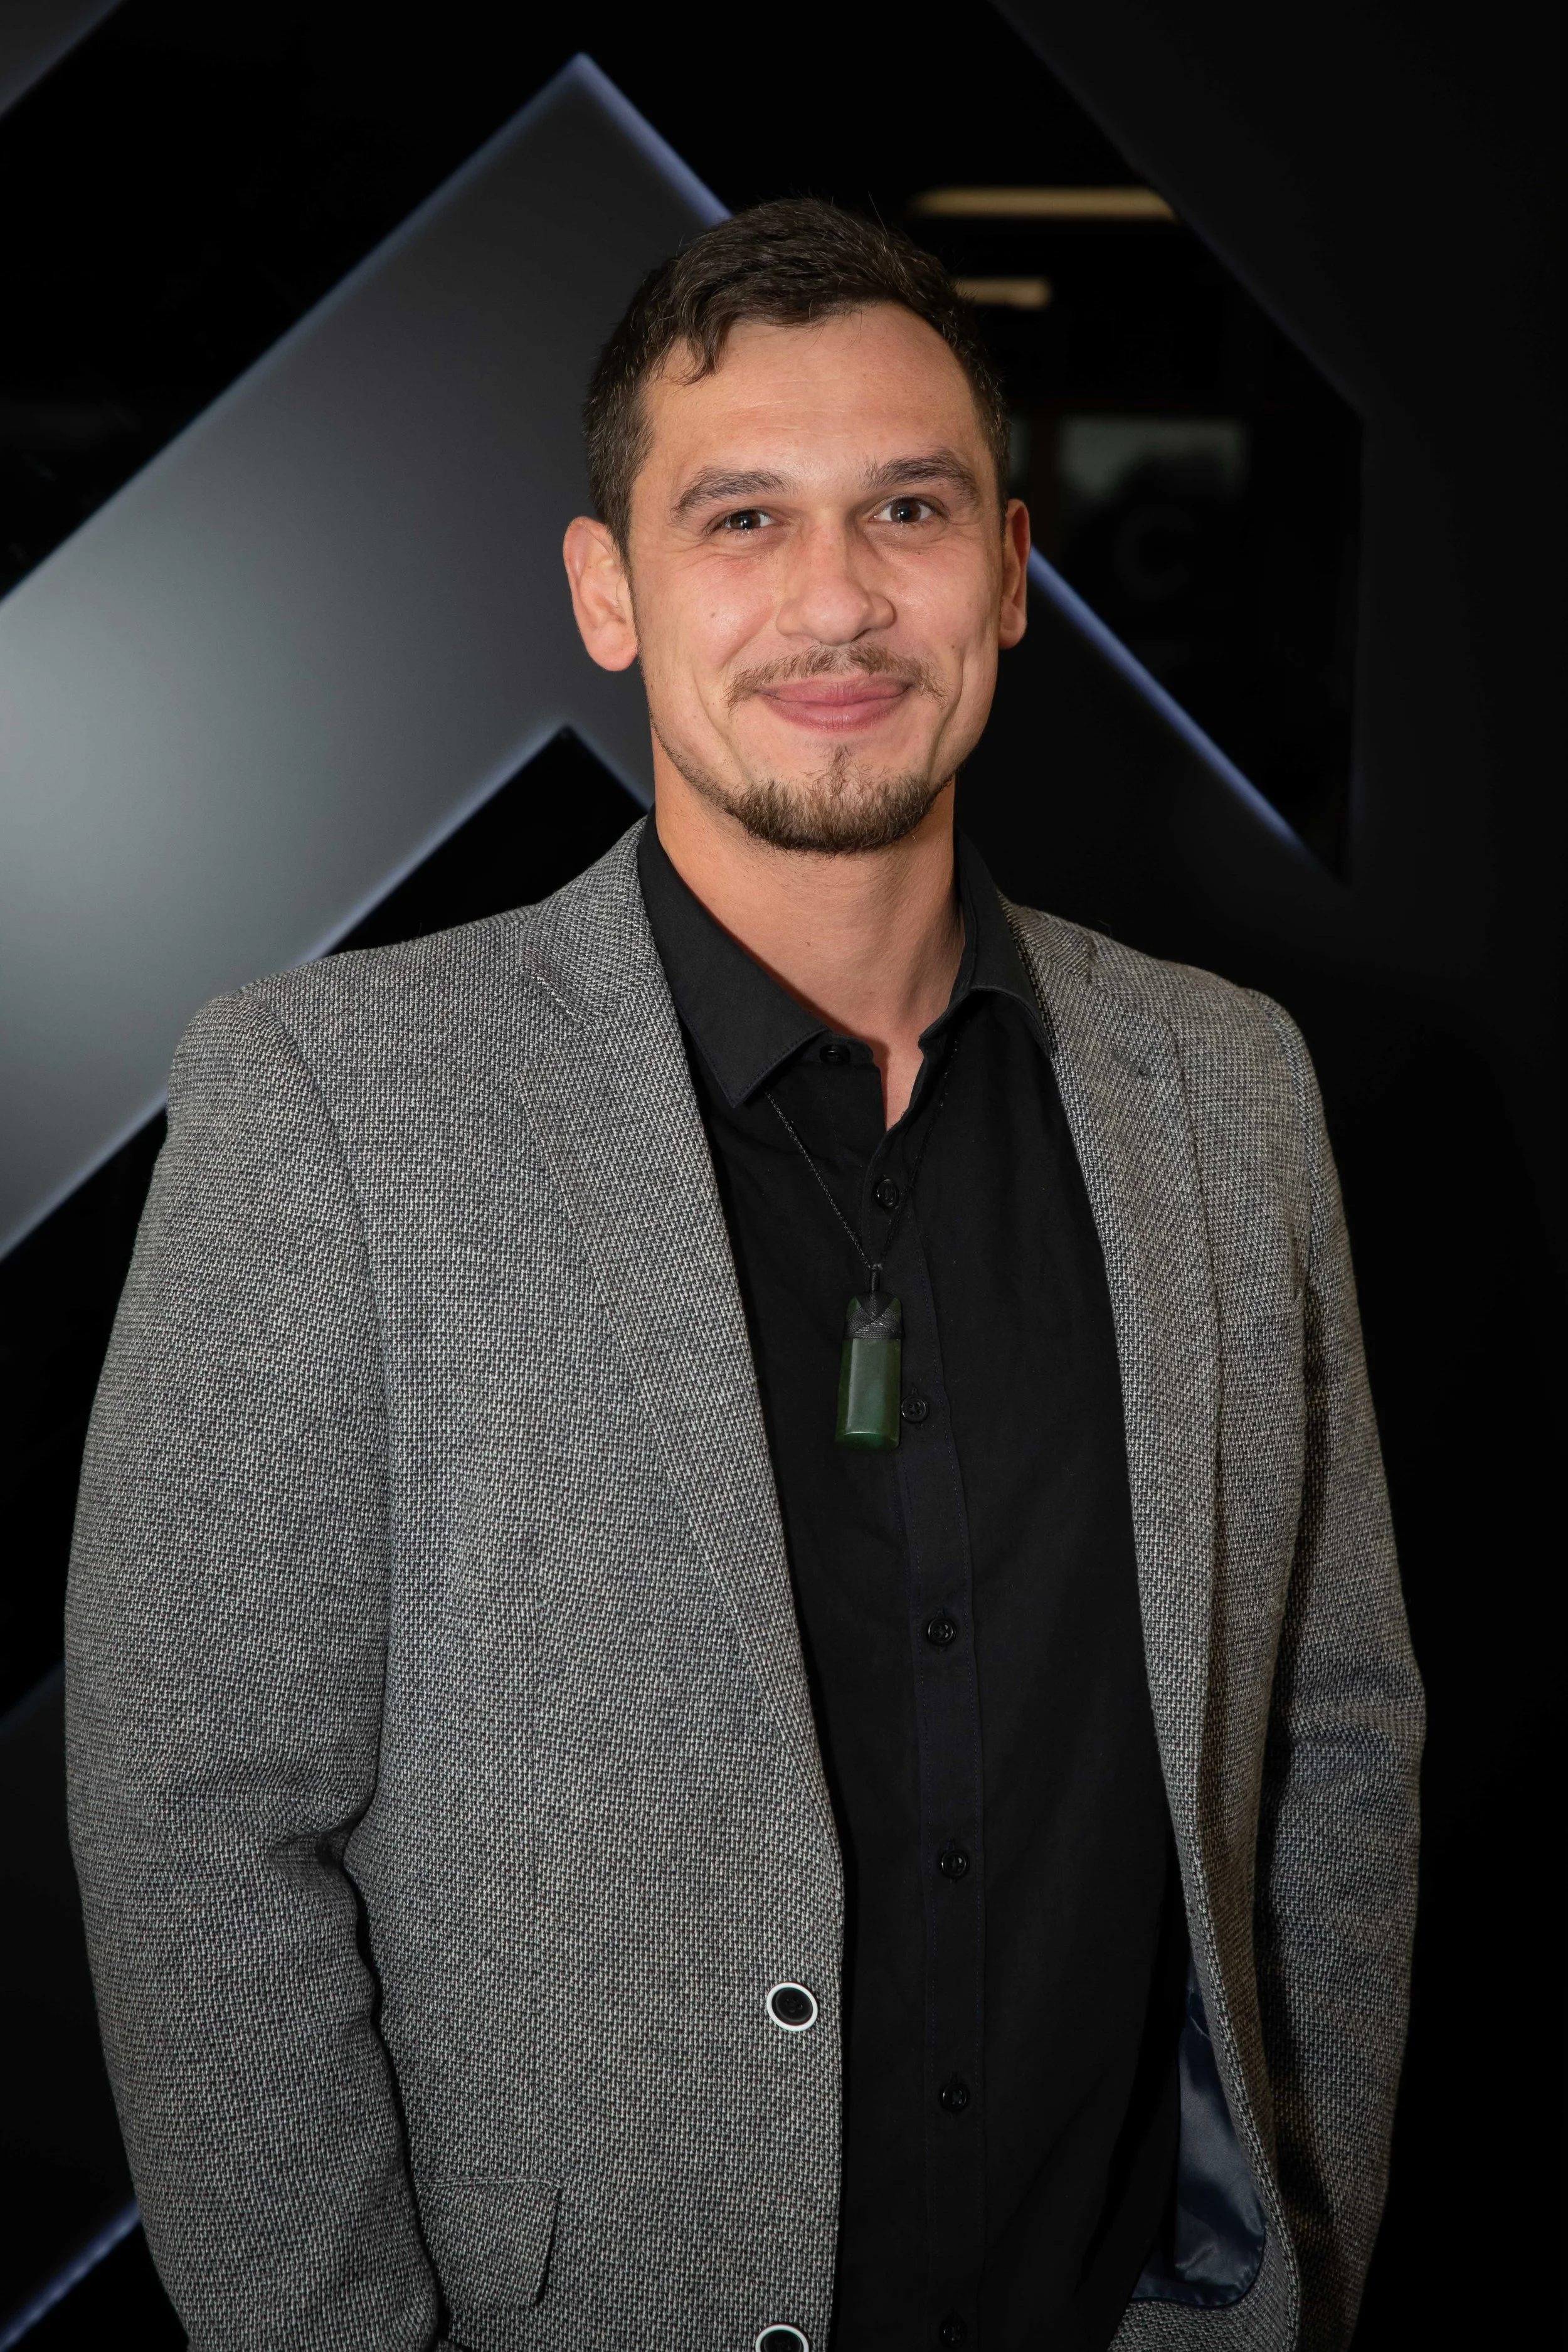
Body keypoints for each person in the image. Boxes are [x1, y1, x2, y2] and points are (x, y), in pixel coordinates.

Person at [66, 199, 1422, 2352]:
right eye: (737, 518)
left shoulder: (1226, 1093)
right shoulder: (327, 1104)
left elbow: (1331, 1741)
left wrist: (1261, 2304)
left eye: (905, 506)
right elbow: (191, 1831)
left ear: (1008, 570)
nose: (833, 600)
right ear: (606, 592)